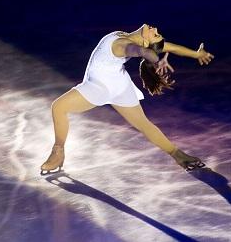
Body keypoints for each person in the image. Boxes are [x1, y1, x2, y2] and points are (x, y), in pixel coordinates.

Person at [40, 24, 215, 175]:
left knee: (58, 107)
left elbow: (138, 50)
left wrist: (150, 56)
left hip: (100, 87)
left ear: (146, 43)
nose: (154, 28)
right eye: (156, 32)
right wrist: (196, 54)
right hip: (120, 84)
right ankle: (179, 156)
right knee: (144, 124)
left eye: (154, 34)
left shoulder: (125, 45)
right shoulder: (127, 37)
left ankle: (58, 152)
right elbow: (171, 47)